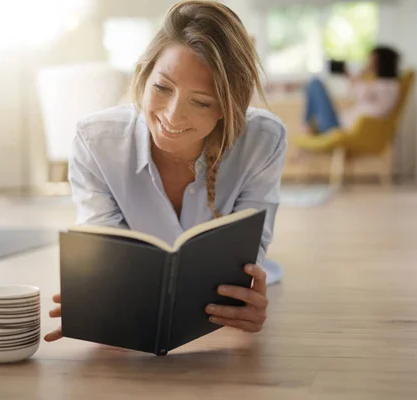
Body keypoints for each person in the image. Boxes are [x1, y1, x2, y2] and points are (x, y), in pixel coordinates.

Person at [44, 1, 287, 342]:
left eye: (201, 102)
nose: (172, 116)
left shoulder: (263, 139)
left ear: (228, 107)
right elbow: (104, 247)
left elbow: (249, 250)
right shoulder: (95, 141)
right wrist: (95, 298)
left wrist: (248, 296)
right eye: (162, 88)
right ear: (143, 76)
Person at [303, 45, 401, 135]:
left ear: (380, 63)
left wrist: (360, 76)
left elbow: (363, 94)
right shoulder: (388, 86)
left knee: (315, 83)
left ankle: (307, 124)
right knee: (314, 85)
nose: (367, 62)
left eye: (371, 60)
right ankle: (309, 125)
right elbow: (358, 95)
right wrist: (355, 78)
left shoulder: (384, 86)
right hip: (341, 124)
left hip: (338, 128)